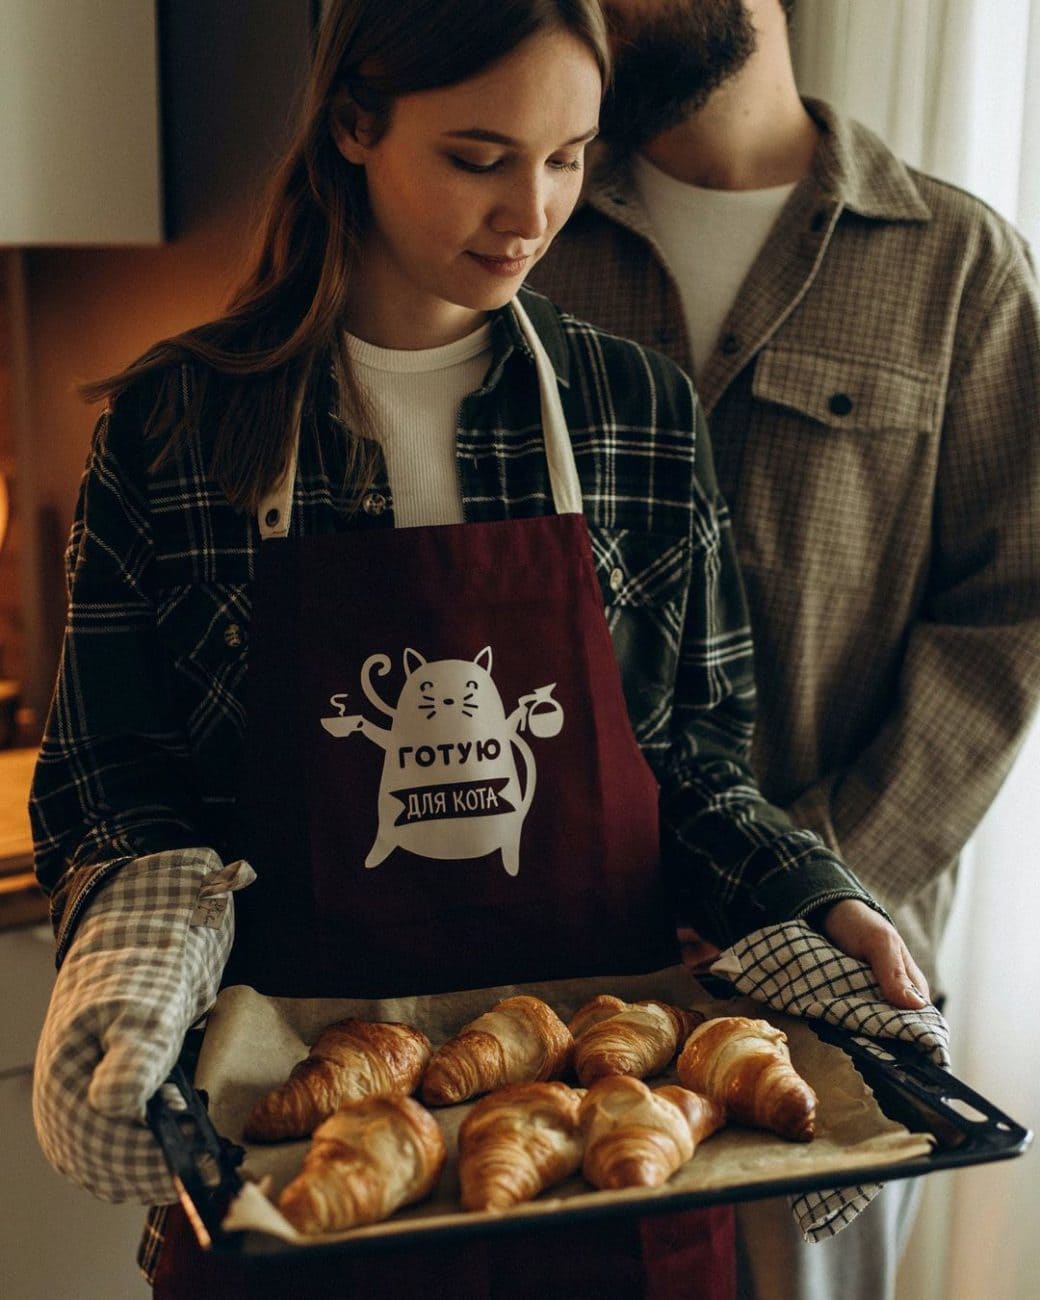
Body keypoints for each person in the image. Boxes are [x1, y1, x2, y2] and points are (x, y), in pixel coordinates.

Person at [30, 1, 932, 1297]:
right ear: (355, 122)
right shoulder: (176, 428)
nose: (533, 211)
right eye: (479, 156)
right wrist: (136, 973)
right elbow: (116, 784)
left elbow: (688, 760)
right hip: (296, 1158)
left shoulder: (637, 416)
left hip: (606, 1153)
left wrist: (812, 898)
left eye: (568, 156)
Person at [531, 0, 1040, 1298]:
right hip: (554, 988)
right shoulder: (522, 225)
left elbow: (1008, 622)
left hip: (838, 1002)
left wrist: (801, 893)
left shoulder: (958, 264)